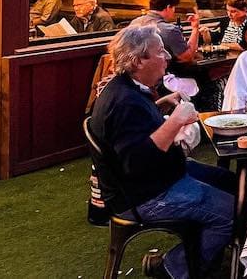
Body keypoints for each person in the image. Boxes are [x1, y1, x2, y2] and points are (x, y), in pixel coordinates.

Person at [90, 24, 235, 279]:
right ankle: (172, 267)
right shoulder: (124, 102)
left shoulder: (127, 88)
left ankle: (210, 255)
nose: (168, 56)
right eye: (160, 52)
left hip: (159, 177)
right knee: (234, 211)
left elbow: (134, 133)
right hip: (145, 195)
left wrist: (160, 104)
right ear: (138, 61)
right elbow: (137, 162)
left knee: (233, 183)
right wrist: (176, 120)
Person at [196, 0, 247, 110]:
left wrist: (223, 45)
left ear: (244, 10)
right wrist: (205, 33)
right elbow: (212, 40)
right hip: (222, 60)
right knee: (202, 75)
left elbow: (244, 46)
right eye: (228, 11)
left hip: (240, 62)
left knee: (209, 78)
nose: (230, 14)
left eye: (234, 11)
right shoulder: (225, 22)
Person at [129, 0, 200, 67]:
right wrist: (195, 28)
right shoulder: (170, 30)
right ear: (168, 7)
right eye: (173, 7)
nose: (174, 11)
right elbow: (187, 57)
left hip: (139, 76)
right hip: (166, 76)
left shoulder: (134, 23)